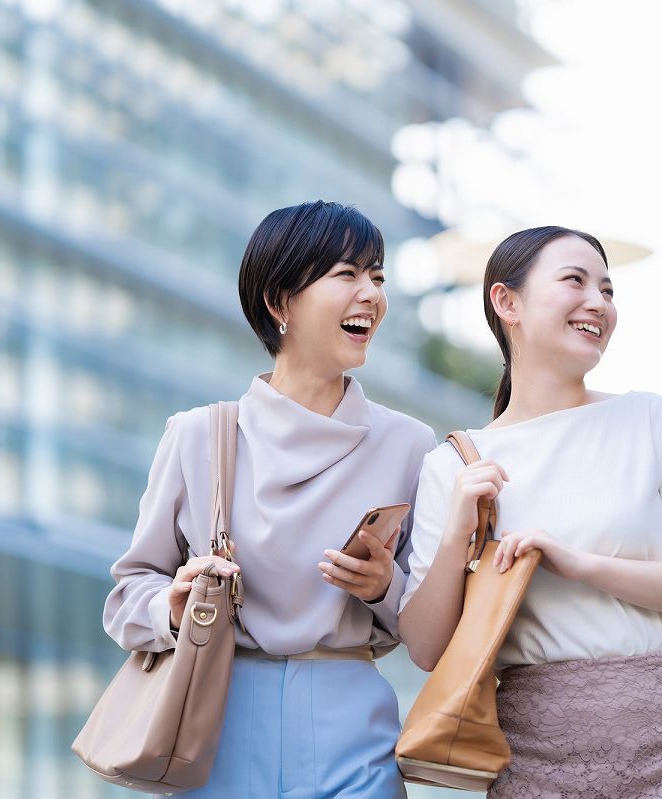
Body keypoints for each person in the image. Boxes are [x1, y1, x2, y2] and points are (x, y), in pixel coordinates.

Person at [103, 201, 435, 798]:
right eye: (346, 274)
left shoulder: (409, 445)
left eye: (377, 277)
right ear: (280, 303)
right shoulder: (199, 435)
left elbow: (434, 624)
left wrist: (383, 586)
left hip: (353, 723)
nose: (371, 294)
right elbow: (128, 593)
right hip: (215, 722)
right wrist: (175, 605)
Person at [399, 226, 662, 798]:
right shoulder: (455, 466)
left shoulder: (653, 420)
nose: (598, 303)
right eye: (574, 282)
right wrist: (459, 529)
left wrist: (579, 564)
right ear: (507, 303)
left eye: (607, 289)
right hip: (532, 749)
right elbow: (426, 649)